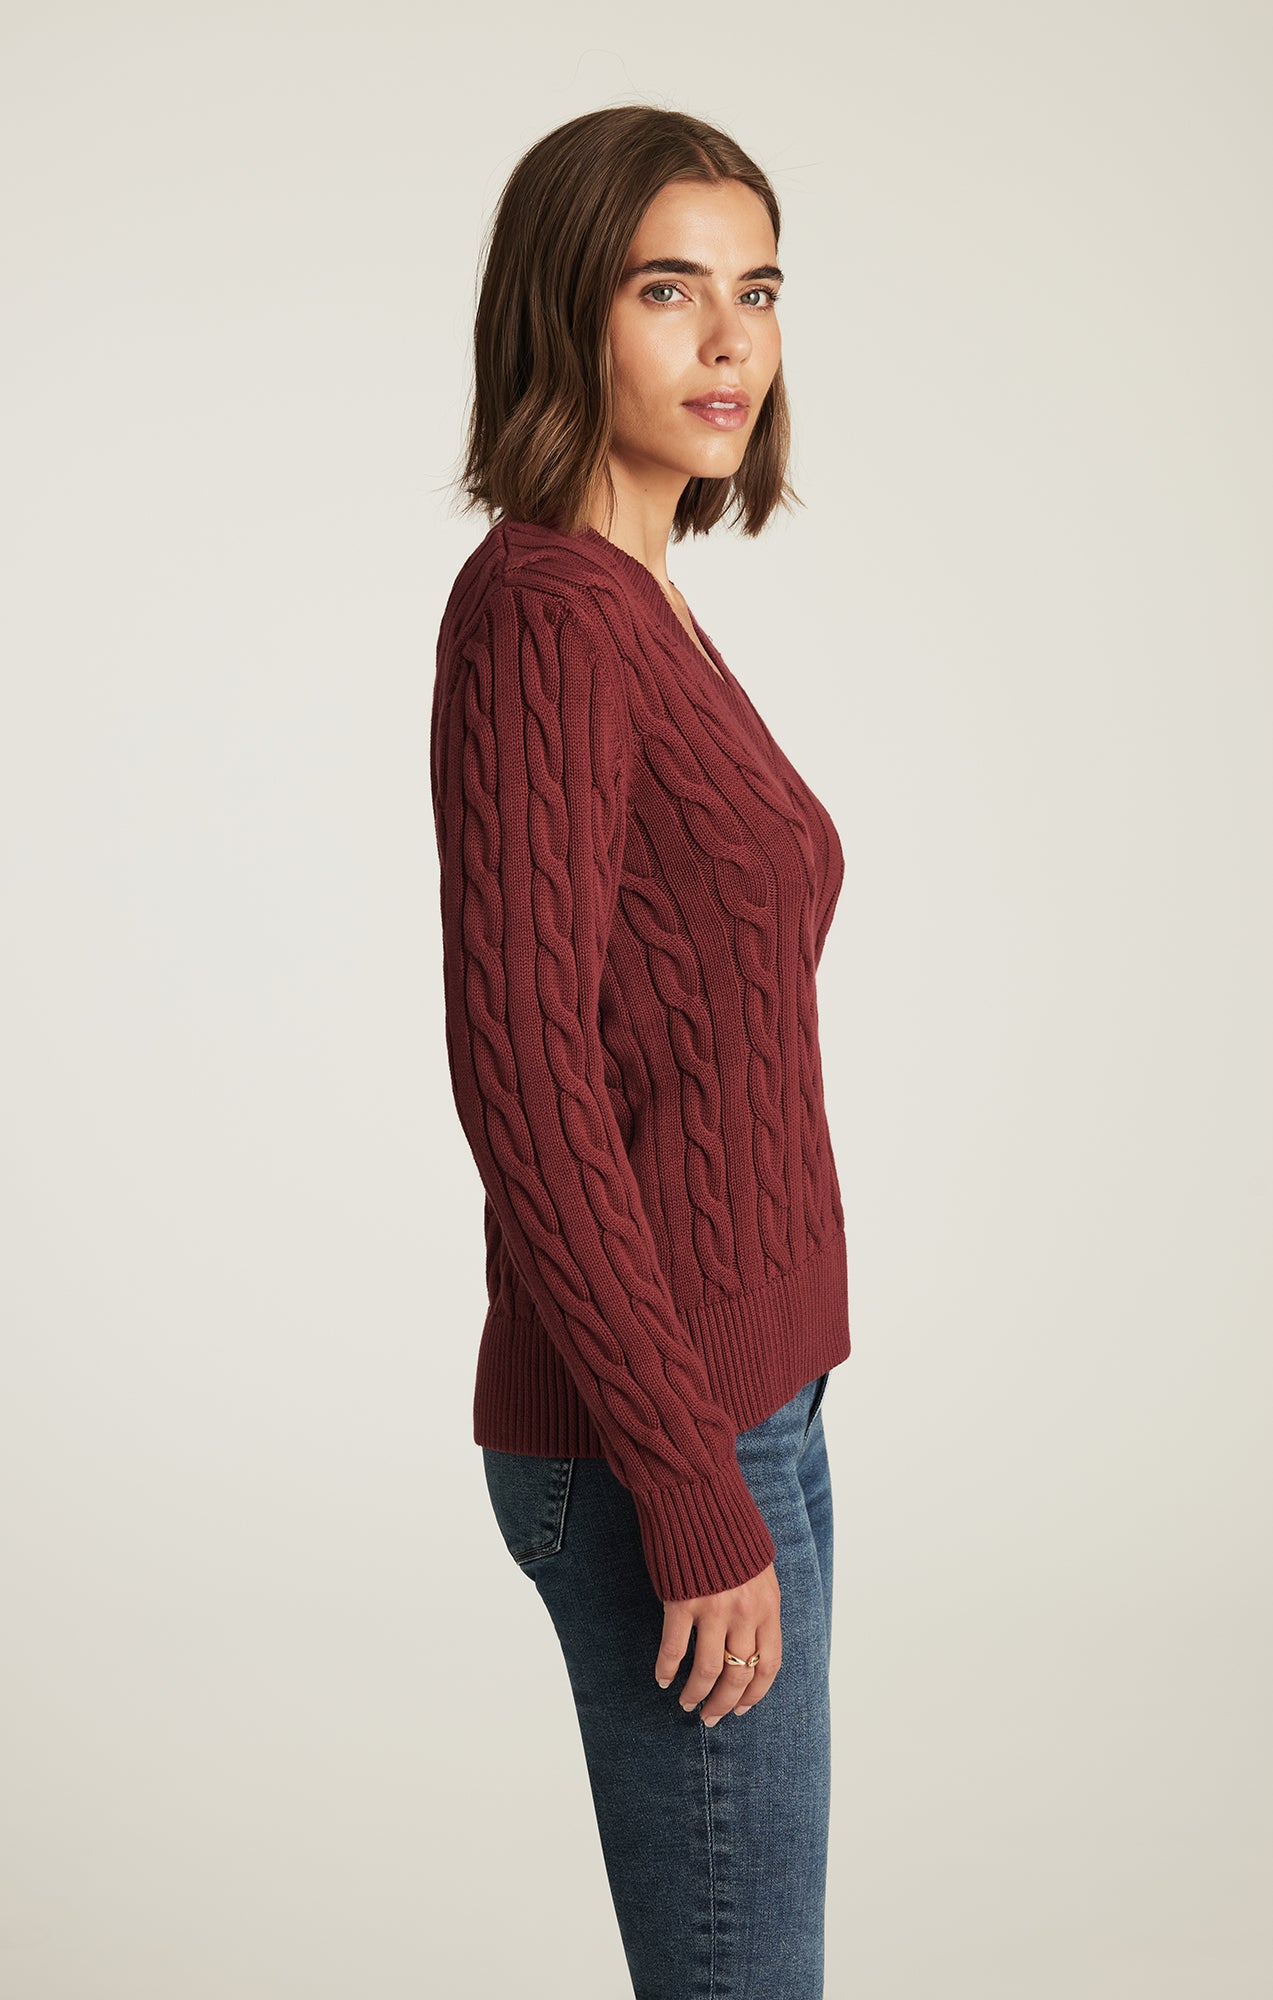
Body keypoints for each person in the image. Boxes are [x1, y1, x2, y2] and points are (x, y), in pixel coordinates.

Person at [430, 103, 851, 1999]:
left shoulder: (642, 601)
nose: (727, 341)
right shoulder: (546, 616)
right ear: (564, 314)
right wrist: (687, 1479)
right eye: (667, 290)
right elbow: (525, 1082)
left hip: (751, 1396)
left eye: (754, 291)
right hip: (655, 1428)